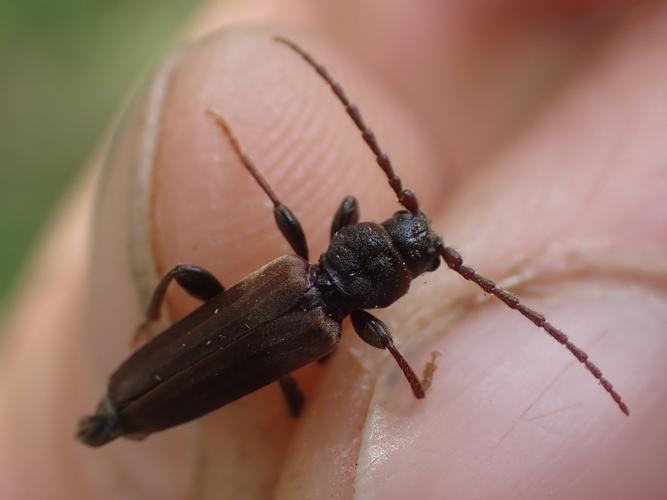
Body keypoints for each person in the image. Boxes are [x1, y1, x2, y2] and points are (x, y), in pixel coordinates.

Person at [1, 1, 666, 498]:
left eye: (421, 251)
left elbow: (285, 207)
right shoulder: (333, 327)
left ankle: (126, 391)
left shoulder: (305, 279)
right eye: (422, 255)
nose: (420, 240)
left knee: (182, 271)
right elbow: (379, 333)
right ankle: (125, 406)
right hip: (161, 389)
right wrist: (415, 380)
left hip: (149, 383)